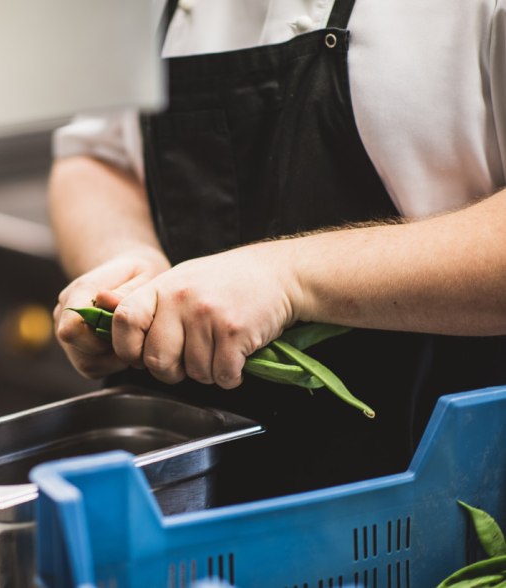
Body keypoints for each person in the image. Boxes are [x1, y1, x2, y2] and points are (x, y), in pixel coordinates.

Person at [49, 0, 506, 504]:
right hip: (187, 498)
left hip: (440, 494)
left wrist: (289, 278)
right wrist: (126, 259)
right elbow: (96, 157)